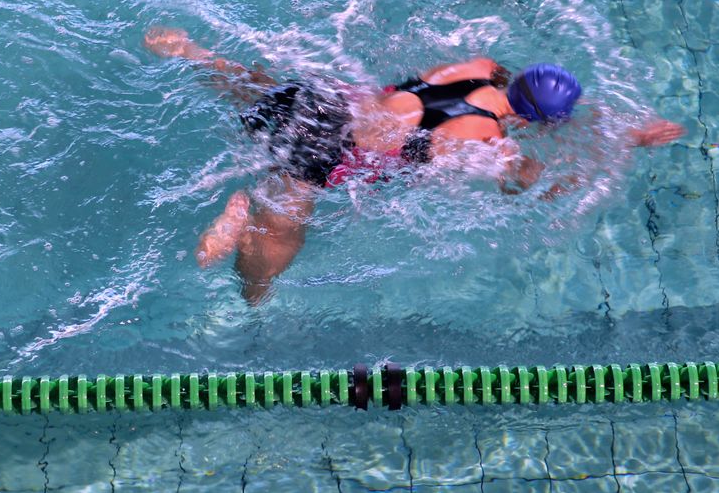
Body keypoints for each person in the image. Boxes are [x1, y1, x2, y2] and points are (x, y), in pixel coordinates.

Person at [144, 27, 685, 304]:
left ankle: (196, 54)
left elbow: (508, 94)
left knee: (259, 90)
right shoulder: (485, 139)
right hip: (324, 147)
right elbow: (527, 187)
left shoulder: (478, 67)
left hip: (324, 96)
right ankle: (244, 221)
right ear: (541, 123)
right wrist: (620, 146)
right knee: (273, 248)